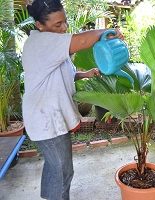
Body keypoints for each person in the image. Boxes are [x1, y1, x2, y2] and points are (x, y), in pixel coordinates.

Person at [21, 0, 124, 199]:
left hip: (48, 117)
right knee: (63, 172)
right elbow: (84, 41)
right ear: (40, 25)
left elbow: (62, 73)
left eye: (65, 22)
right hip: (46, 121)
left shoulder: (47, 41)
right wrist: (109, 30)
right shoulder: (42, 42)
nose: (63, 29)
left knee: (54, 166)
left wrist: (85, 74)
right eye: (57, 25)